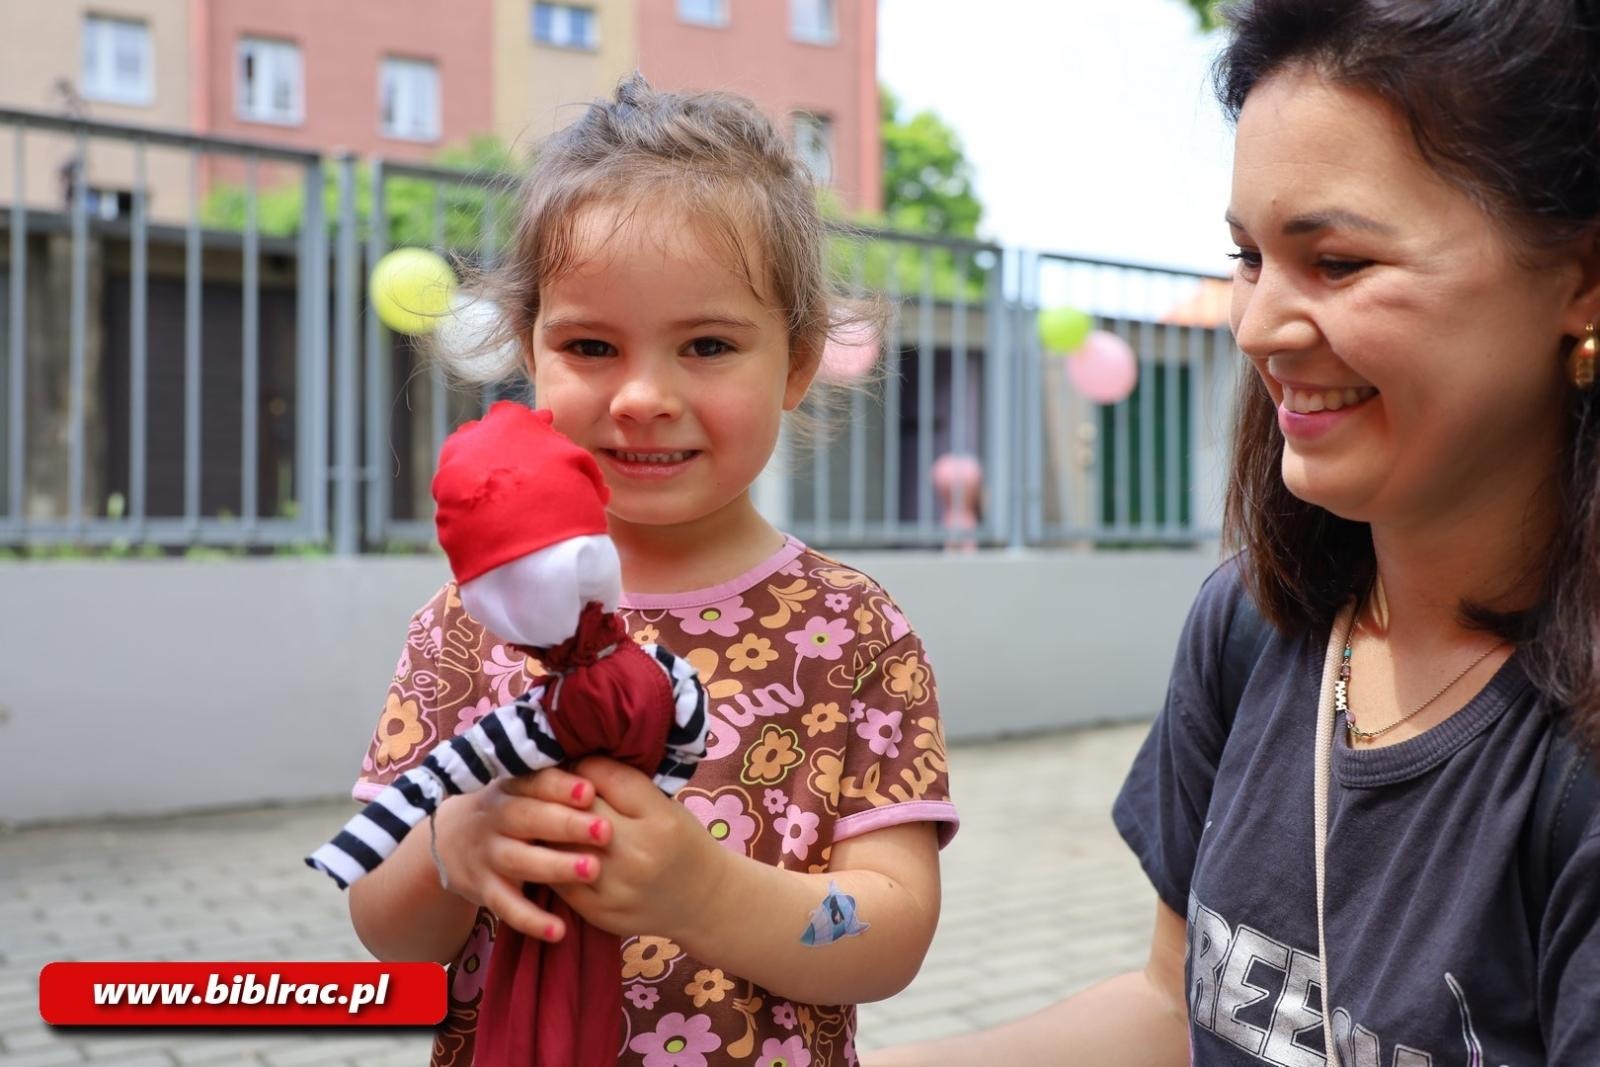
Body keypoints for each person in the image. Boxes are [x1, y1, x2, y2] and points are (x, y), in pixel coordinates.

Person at [872, 0, 1600, 1063]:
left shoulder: (1564, 761)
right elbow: (1173, 1004)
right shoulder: (1252, 625)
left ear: (1578, 276)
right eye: (1248, 256)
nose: (1255, 327)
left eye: (1337, 263)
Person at [342, 74, 957, 1067]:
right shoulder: (464, 622)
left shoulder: (850, 631)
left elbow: (887, 927)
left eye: (707, 344)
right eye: (590, 344)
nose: (641, 395)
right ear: (529, 348)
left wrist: (703, 892)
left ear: (796, 362)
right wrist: (452, 849)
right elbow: (383, 923)